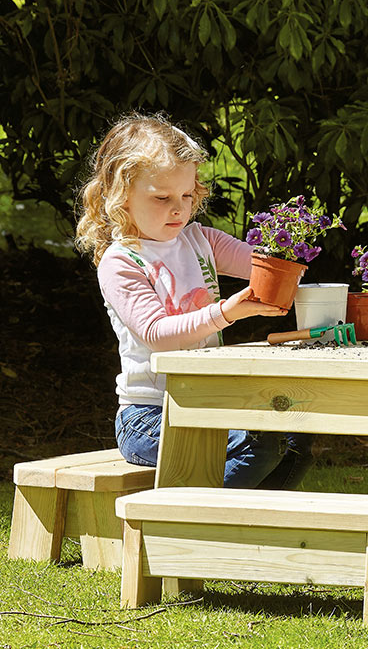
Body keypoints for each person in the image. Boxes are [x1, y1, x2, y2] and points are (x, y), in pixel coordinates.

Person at [75, 112, 314, 489]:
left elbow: (266, 269)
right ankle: (196, 524)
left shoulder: (201, 240)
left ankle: (251, 526)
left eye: (186, 195)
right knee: (260, 443)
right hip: (150, 416)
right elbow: (156, 334)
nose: (178, 208)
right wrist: (225, 313)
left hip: (206, 402)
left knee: (297, 435)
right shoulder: (122, 261)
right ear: (120, 195)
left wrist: (291, 254)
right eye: (162, 197)